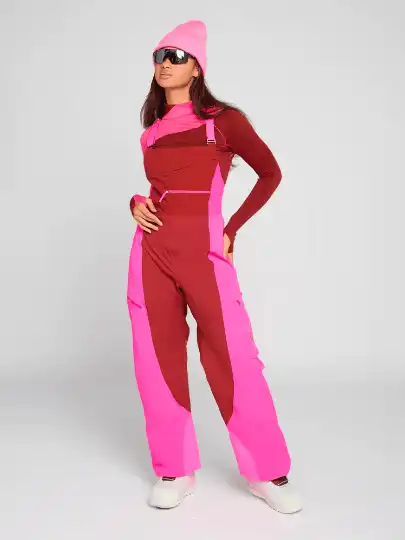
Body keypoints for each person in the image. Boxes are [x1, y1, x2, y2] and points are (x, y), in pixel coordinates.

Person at [127, 20, 302, 513]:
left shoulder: (224, 121)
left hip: (205, 255)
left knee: (234, 357)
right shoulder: (151, 133)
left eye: (176, 56)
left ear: (197, 67)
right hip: (150, 255)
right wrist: (135, 203)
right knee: (155, 358)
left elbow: (270, 173)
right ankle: (175, 468)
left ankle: (267, 472)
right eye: (159, 55)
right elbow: (157, 194)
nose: (165, 63)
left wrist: (233, 228)